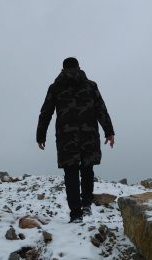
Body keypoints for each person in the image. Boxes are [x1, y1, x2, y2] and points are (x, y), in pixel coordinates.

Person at [36, 57, 115, 223]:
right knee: (87, 170)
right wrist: (109, 131)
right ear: (79, 68)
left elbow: (46, 113)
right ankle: (86, 204)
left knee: (70, 173)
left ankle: (76, 214)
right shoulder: (91, 85)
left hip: (66, 138)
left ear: (62, 70)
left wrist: (41, 135)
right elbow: (101, 109)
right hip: (89, 135)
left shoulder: (55, 87)